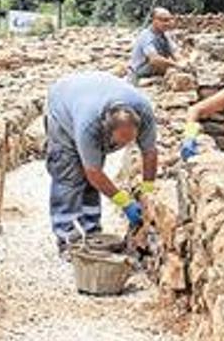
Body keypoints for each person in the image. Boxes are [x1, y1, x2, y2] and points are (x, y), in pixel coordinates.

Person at [45, 71, 158, 251]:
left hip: (92, 91)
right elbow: (94, 173)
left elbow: (150, 152)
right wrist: (125, 202)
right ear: (106, 130)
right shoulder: (88, 125)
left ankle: (91, 232)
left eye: (131, 140)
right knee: (70, 175)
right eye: (120, 142)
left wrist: (148, 191)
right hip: (64, 103)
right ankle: (67, 238)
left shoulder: (144, 112)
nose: (125, 145)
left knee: (92, 182)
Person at [126, 7, 181, 83]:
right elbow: (154, 59)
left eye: (170, 20)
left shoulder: (165, 35)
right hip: (140, 71)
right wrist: (177, 65)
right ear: (154, 21)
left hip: (153, 70)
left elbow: (175, 52)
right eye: (164, 20)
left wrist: (182, 62)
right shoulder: (146, 35)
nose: (168, 23)